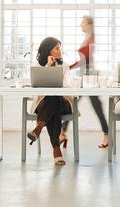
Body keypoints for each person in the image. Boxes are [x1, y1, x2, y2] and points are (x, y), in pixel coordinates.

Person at [28, 37, 73, 165]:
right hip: (45, 103)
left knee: (54, 97)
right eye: (57, 48)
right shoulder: (37, 66)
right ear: (49, 51)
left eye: (60, 48)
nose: (60, 51)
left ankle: (39, 127)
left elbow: (69, 85)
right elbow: (36, 86)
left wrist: (55, 72)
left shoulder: (64, 66)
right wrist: (48, 67)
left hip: (63, 102)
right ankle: (56, 148)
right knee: (52, 100)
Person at [69, 15, 109, 148]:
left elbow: (85, 59)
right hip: (84, 74)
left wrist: (68, 67)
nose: (81, 24)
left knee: (93, 105)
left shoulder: (91, 39)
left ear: (89, 24)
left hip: (88, 76)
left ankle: (107, 134)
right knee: (73, 103)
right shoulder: (87, 38)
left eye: (83, 22)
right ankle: (62, 132)